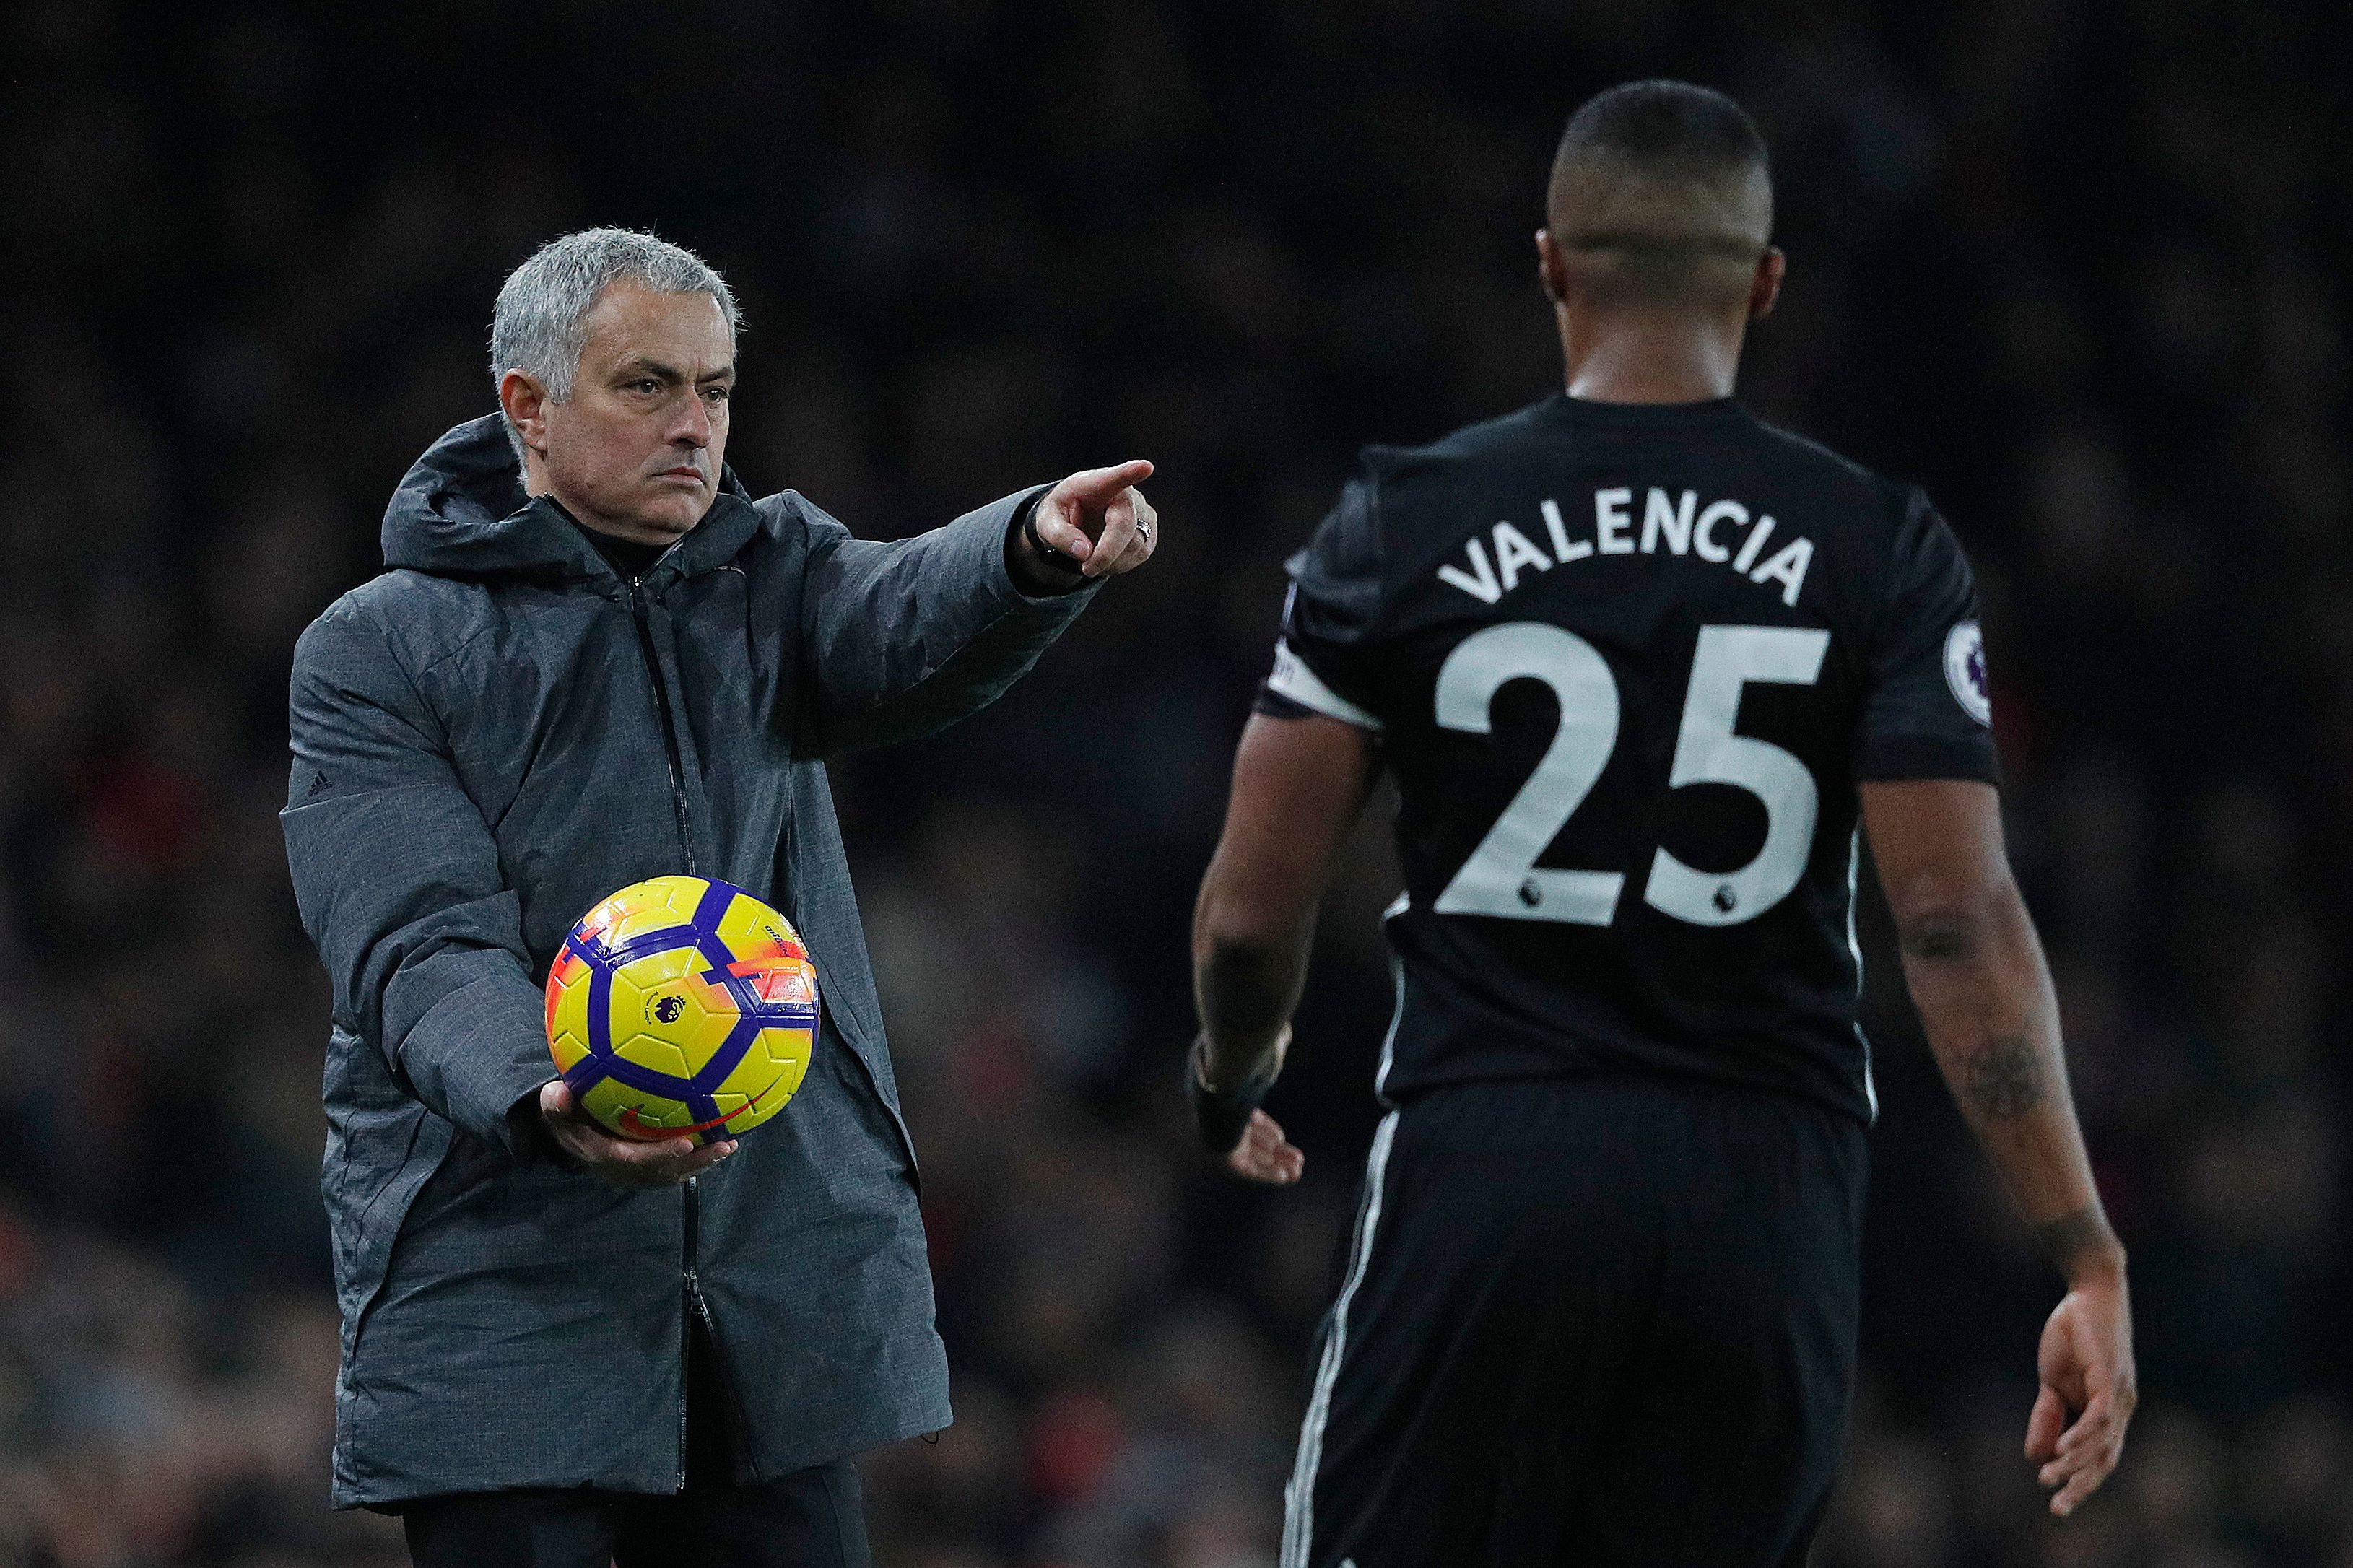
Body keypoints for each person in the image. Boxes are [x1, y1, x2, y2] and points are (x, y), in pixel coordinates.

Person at [1187, 82, 2134, 1566]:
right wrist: (2081, 1249)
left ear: (1551, 264)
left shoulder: (1401, 520)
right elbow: (1952, 920)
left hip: (1490, 1162)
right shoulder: (1875, 544)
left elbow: (1252, 914)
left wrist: (1227, 1071)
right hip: (1765, 1190)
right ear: (1763, 283)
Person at [282, 227, 1157, 1566]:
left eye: (718, 389)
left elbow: (893, 607)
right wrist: (545, 1090)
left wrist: (1025, 546)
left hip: (770, 1281)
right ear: (528, 406)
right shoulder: (379, 649)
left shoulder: (771, 577)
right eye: (649, 387)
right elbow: (413, 935)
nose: (698, 426)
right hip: (501, 1277)